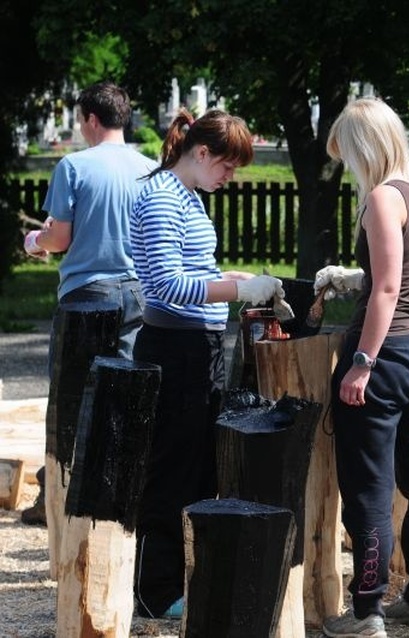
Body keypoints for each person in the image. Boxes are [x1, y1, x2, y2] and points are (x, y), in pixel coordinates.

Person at [130, 108, 285, 620]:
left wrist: (237, 278)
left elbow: (198, 271)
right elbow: (167, 285)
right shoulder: (159, 198)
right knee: (171, 470)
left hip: (200, 345)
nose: (231, 176)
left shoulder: (190, 196)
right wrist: (240, 289)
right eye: (227, 166)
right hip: (173, 349)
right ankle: (154, 587)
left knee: (198, 469)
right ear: (200, 153)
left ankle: (179, 580)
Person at [319, 98, 409, 638]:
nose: (346, 165)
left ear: (363, 147)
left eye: (346, 153)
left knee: (370, 490)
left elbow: (389, 289)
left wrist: (361, 363)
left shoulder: (381, 197)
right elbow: (406, 274)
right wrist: (358, 276)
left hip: (386, 358)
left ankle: (367, 609)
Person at [20, 81, 158, 527]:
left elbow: (59, 239)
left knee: (72, 401)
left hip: (86, 294)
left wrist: (35, 240)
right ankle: (120, 505)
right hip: (138, 293)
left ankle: (62, 507)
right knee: (126, 398)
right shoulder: (152, 168)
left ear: (91, 119)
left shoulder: (73, 166)